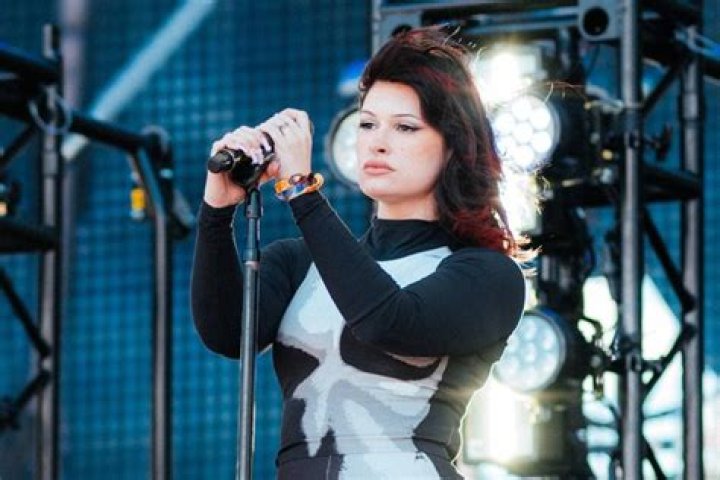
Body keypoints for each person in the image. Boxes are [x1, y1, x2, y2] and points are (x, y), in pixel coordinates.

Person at [192, 26, 530, 479]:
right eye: (367, 124)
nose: (378, 141)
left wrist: (301, 192)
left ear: (452, 147)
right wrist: (216, 213)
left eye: (405, 127)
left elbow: (387, 321)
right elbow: (226, 333)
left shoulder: (486, 275)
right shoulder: (299, 262)